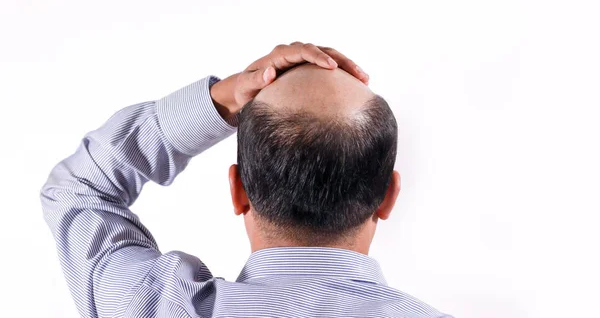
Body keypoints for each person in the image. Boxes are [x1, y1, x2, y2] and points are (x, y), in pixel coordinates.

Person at [41, 42, 453, 318]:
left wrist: (222, 98)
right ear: (389, 196)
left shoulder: (153, 306)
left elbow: (79, 187)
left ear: (237, 190)